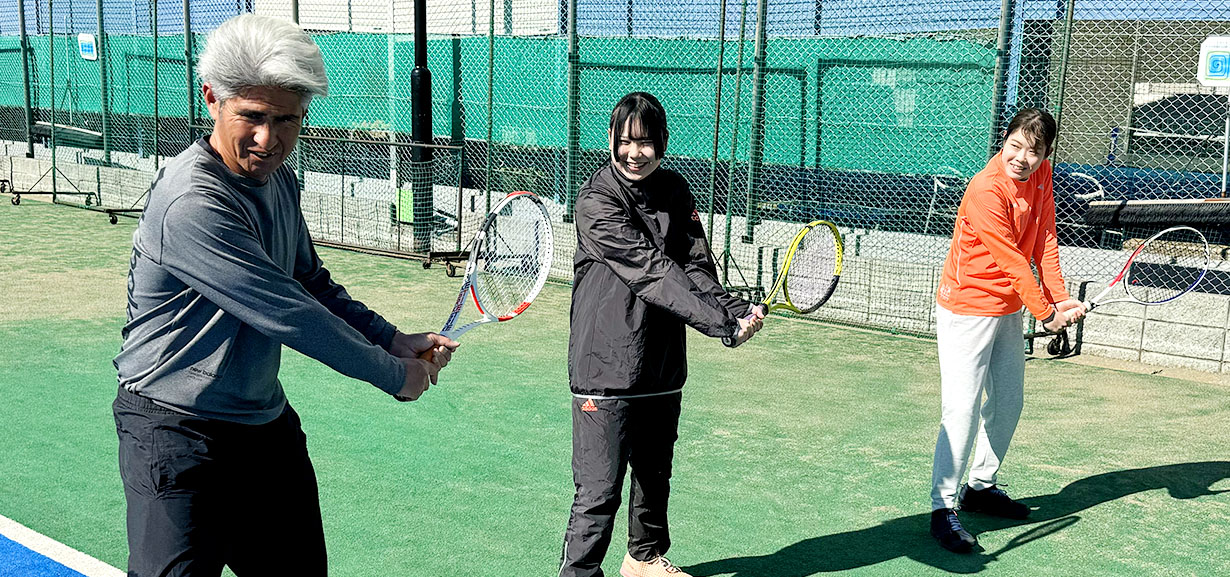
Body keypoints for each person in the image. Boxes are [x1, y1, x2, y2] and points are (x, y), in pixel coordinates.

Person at [112, 14, 457, 576]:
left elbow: (308, 282)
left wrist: (394, 339)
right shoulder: (193, 203)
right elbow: (288, 313)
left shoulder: (279, 180)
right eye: (252, 116)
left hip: (262, 426)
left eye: (287, 120)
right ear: (212, 101)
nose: (269, 139)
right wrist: (395, 374)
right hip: (173, 429)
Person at [559, 92, 764, 577]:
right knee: (599, 491)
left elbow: (695, 268)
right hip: (604, 367)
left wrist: (734, 309)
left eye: (646, 143)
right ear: (610, 139)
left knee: (654, 475)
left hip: (662, 364)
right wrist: (721, 325)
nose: (635, 153)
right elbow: (651, 272)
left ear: (662, 144)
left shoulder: (676, 190)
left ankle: (644, 558)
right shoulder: (596, 201)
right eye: (626, 141)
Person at [929, 107, 1088, 553]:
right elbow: (1012, 259)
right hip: (967, 308)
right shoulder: (986, 189)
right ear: (1005, 140)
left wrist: (1056, 299)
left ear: (1045, 153)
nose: (1022, 157)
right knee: (960, 410)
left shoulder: (1042, 176)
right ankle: (943, 510)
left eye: (1033, 151)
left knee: (1009, 401)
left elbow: (1045, 241)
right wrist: (1047, 313)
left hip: (1008, 310)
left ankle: (979, 487)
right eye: (1015, 145)